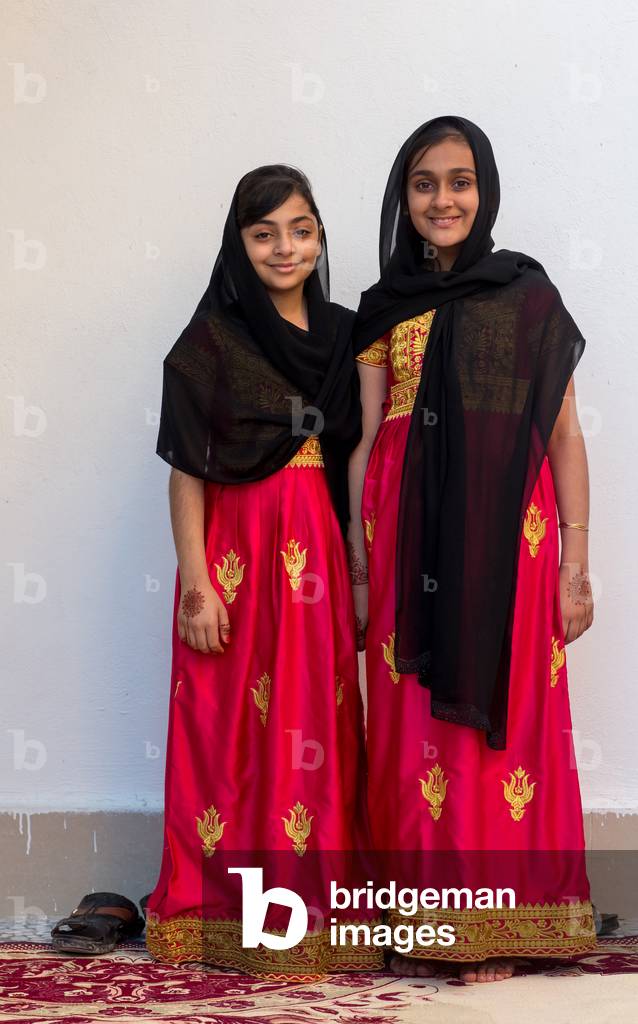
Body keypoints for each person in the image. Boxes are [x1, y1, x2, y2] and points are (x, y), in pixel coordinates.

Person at [348, 116, 597, 983]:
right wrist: (357, 555)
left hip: (506, 543)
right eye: (424, 183)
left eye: (460, 181)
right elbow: (369, 433)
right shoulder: (386, 307)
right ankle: (423, 919)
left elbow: (562, 434)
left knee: (507, 716)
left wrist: (575, 562)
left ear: (483, 190)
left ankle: (504, 923)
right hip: (403, 529)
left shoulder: (526, 296)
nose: (443, 199)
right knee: (412, 723)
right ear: (403, 196)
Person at [144, 165, 382, 981]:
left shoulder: (347, 333)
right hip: (232, 558)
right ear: (239, 243)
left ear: (320, 236)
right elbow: (186, 470)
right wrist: (197, 582)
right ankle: (220, 913)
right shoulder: (213, 337)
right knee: (226, 728)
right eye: (264, 232)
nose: (286, 248)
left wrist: (357, 568)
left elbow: (355, 454)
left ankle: (312, 911)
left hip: (313, 548)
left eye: (301, 229)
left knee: (313, 724)